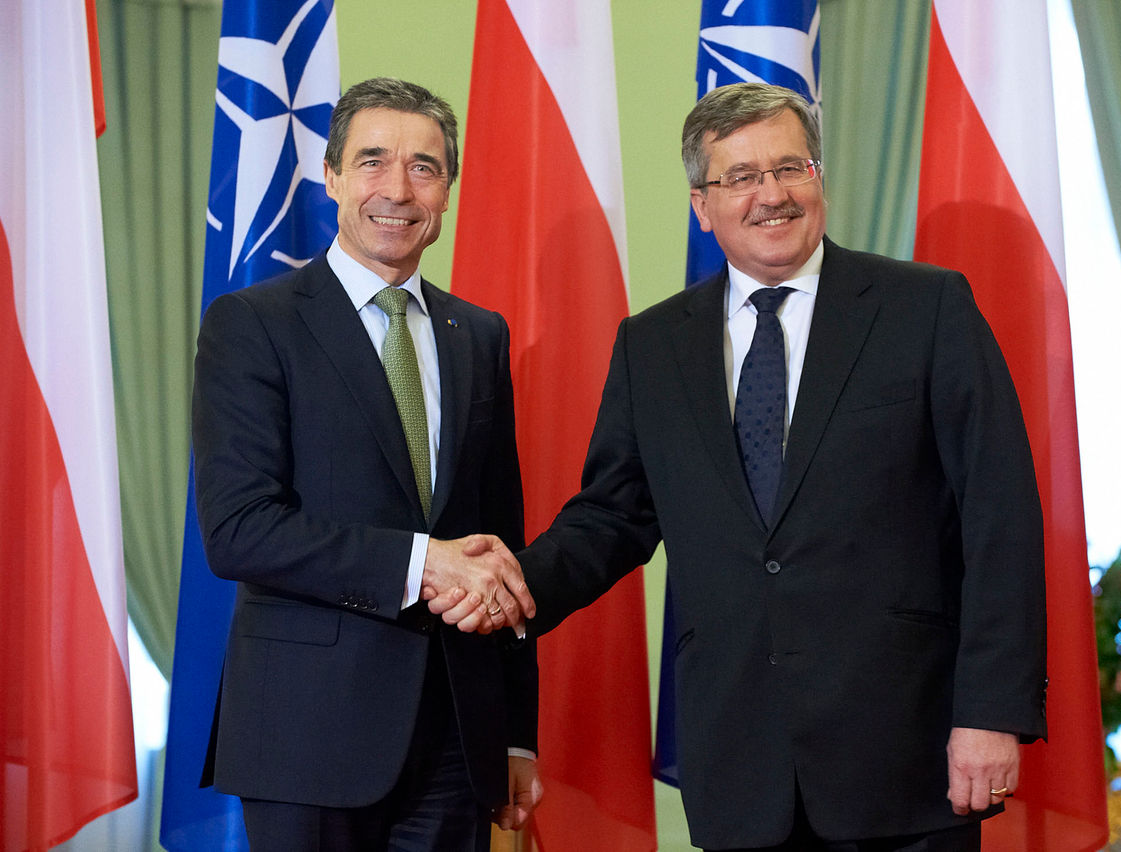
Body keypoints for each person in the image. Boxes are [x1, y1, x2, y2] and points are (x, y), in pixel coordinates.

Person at [435, 82, 1048, 851]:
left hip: (905, 752)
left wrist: (991, 711)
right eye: (742, 177)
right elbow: (613, 516)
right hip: (739, 764)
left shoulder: (924, 309)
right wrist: (513, 585)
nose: (772, 195)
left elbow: (1002, 515)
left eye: (791, 167)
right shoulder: (653, 346)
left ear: (819, 177)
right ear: (703, 203)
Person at [192, 77, 540, 851]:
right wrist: (424, 564)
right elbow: (239, 530)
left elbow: (496, 548)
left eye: (424, 167)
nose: (398, 188)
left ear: (447, 190)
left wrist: (516, 733)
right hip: (306, 738)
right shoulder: (254, 324)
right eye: (374, 161)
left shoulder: (477, 335)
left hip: (456, 737)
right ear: (333, 177)